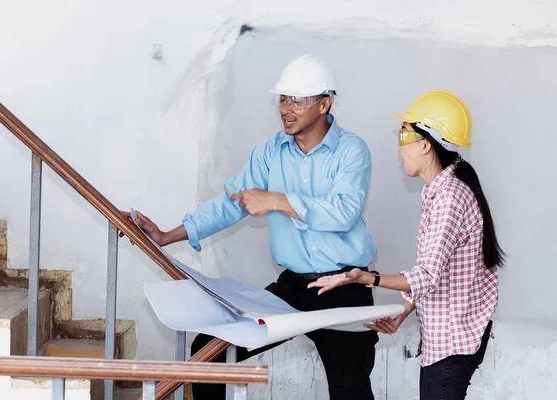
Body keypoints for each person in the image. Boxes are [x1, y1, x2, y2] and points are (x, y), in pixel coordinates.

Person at [123, 54, 379, 399]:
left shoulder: (352, 150)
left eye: (297, 101)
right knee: (208, 353)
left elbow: (343, 212)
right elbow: (231, 202)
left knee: (351, 390)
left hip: (346, 285)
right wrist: (168, 235)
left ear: (324, 104)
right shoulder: (270, 152)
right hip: (294, 288)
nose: (286, 109)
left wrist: (276, 201)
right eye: (283, 99)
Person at [308, 89, 505, 400]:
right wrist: (403, 310)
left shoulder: (449, 198)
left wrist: (366, 277)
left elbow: (427, 275)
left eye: (404, 137)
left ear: (426, 145)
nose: (400, 149)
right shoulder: (442, 189)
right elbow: (439, 270)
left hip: (453, 341)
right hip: (450, 338)